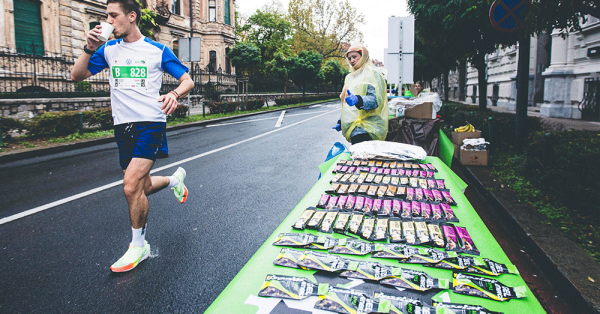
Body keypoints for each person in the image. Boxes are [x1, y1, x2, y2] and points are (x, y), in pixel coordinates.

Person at [71, 0, 194, 272]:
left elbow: (188, 80)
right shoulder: (108, 50)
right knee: (142, 186)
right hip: (123, 126)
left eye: (113, 15)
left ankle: (138, 246)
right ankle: (175, 180)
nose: (108, 21)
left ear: (131, 16)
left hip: (151, 123)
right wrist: (89, 49)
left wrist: (174, 94)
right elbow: (76, 76)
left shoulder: (157, 50)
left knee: (130, 186)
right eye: (107, 16)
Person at [333, 43, 388, 145]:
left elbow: (376, 100)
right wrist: (342, 121)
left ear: (363, 56)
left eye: (355, 57)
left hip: (369, 130)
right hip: (354, 130)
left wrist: (358, 100)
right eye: (349, 58)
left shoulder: (372, 74)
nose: (352, 60)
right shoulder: (350, 77)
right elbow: (346, 104)